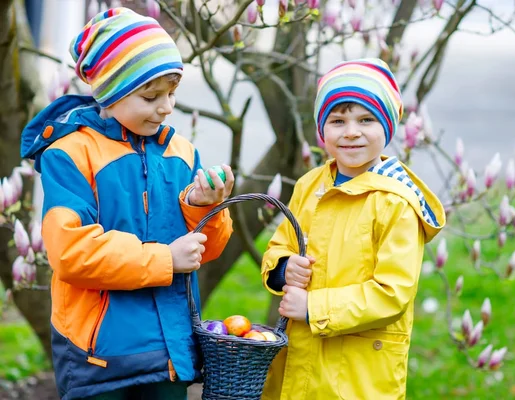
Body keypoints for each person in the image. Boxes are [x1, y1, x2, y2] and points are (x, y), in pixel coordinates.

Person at [20, 7, 234, 400]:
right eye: (151, 96)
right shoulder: (70, 155)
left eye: (172, 94)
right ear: (110, 92)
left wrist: (205, 207)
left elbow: (209, 249)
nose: (167, 107)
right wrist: (165, 259)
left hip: (169, 354)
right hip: (100, 358)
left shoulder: (182, 153)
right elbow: (71, 253)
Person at [261, 58, 446, 400]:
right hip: (297, 360)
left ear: (388, 128)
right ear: (322, 131)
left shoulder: (395, 202)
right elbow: (279, 245)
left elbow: (393, 293)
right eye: (337, 120)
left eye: (366, 119)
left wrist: (313, 308)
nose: (350, 131)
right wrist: (284, 268)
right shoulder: (309, 185)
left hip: (357, 375)